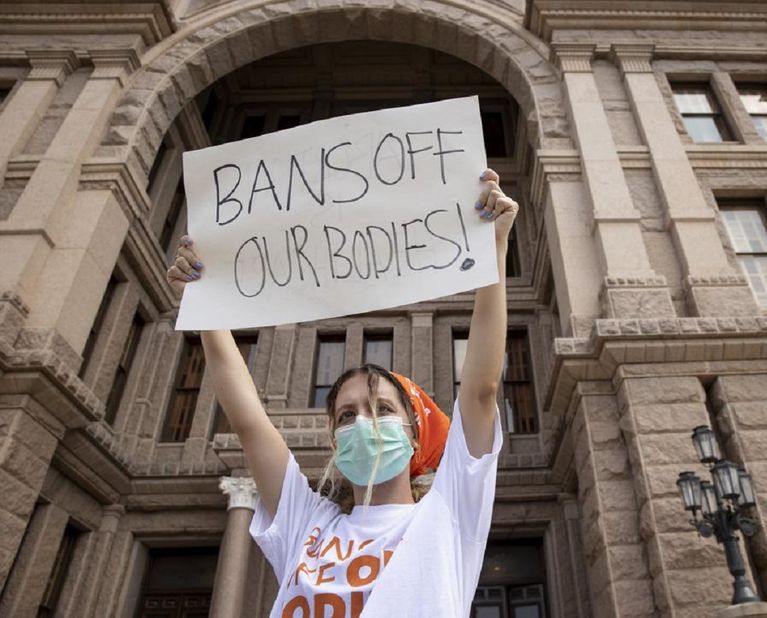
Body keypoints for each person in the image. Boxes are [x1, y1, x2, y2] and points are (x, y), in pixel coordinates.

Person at [167, 169, 518, 617]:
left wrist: (494, 250)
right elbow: (249, 423)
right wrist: (202, 305)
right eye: (347, 416)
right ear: (334, 440)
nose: (363, 422)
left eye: (382, 409)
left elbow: (482, 391)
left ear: (413, 434)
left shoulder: (449, 514)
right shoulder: (306, 522)